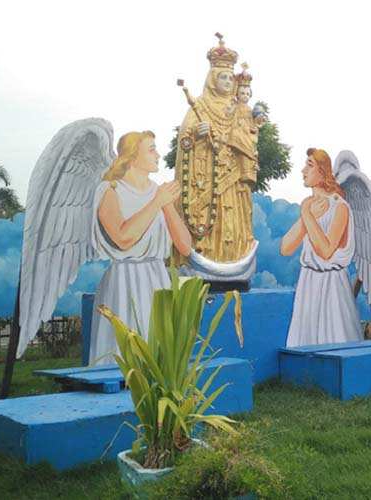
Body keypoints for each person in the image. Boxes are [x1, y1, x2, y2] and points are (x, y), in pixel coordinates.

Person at [89, 131, 192, 365]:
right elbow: (123, 238)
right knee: (125, 346)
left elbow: (185, 246)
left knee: (159, 347)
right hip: (125, 280)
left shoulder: (159, 192)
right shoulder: (110, 190)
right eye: (152, 149)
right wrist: (158, 202)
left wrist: (165, 204)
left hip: (157, 277)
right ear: (133, 157)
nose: (158, 154)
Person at [173, 35, 256, 281]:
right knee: (210, 221)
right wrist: (198, 137)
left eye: (231, 77)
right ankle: (206, 256)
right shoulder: (199, 107)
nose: (228, 82)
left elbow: (249, 141)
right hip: (207, 181)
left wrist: (235, 139)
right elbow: (184, 142)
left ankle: (232, 260)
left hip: (233, 180)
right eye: (223, 77)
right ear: (212, 79)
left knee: (233, 221)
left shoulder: (239, 108)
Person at [280, 148, 361, 346]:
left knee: (333, 338)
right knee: (304, 340)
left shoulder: (339, 206)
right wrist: (306, 214)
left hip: (330, 284)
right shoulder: (309, 204)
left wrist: (307, 215)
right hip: (309, 280)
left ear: (323, 171)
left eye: (309, 165)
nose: (303, 171)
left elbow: (325, 252)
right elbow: (286, 248)